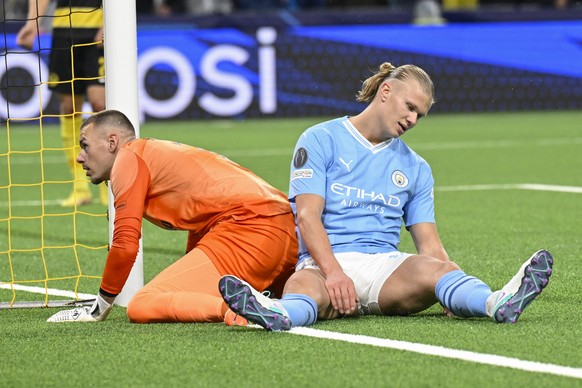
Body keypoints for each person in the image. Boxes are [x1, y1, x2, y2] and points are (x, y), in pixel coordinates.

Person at [219, 62, 554, 331]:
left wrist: (451, 287)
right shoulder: (320, 139)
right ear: (385, 90)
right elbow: (307, 217)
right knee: (302, 288)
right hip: (323, 264)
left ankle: (494, 302)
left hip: (384, 269)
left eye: (419, 115)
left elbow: (430, 245)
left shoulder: (416, 167)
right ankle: (277, 312)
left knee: (438, 270)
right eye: (409, 108)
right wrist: (335, 273)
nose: (412, 119)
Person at [45, 109, 298, 324]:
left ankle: (235, 311)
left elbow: (125, 245)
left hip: (252, 228)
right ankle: (273, 302)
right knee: (298, 297)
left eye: (85, 146)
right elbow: (202, 220)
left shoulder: (128, 158)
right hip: (286, 228)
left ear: (112, 142)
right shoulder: (154, 153)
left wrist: (99, 307)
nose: (79, 157)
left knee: (142, 305)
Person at [17, 0, 108, 207]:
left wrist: (110, 24)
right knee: (68, 108)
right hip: (63, 33)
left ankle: (107, 185)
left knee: (99, 105)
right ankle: (79, 187)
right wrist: (32, 23)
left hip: (98, 31)